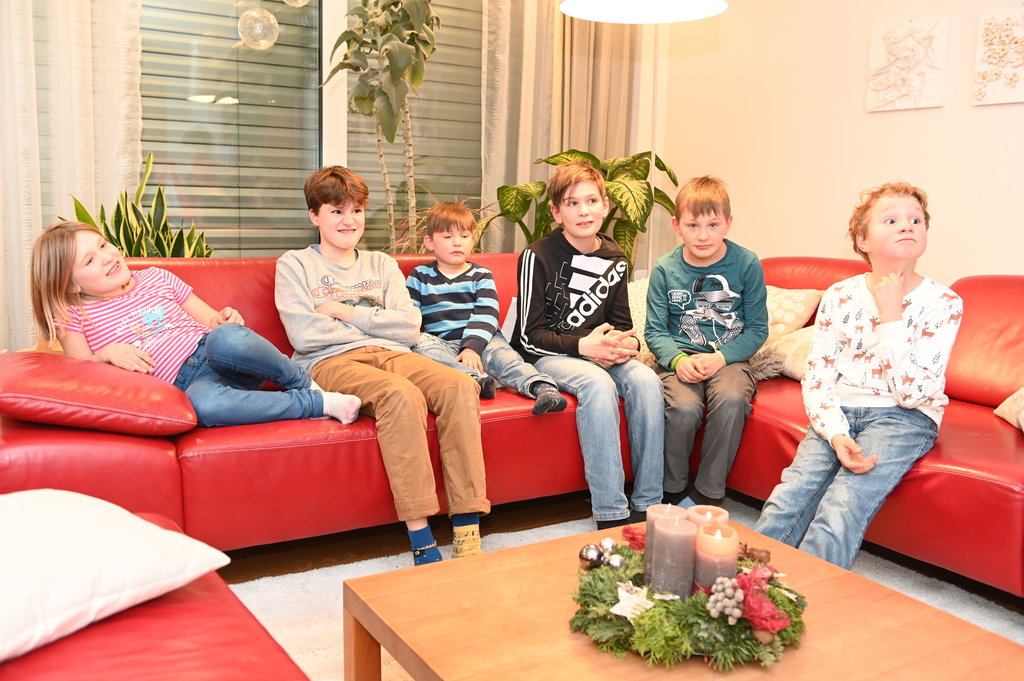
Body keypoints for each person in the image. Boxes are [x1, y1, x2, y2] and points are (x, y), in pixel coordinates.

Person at [274, 166, 490, 565]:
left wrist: (343, 312)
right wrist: (377, 321)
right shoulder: (295, 265)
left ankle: (467, 528)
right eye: (336, 211)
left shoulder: (381, 264)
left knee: (460, 385)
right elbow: (304, 335)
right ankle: (421, 538)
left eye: (355, 210)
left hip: (395, 352)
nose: (349, 220)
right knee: (400, 394)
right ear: (314, 216)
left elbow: (408, 326)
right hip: (330, 361)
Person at [753, 182, 963, 569]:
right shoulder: (839, 295)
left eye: (916, 220)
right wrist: (835, 432)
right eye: (891, 220)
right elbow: (818, 375)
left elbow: (913, 394)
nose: (907, 225)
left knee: (840, 509)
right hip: (839, 408)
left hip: (905, 417)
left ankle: (812, 596)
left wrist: (891, 314)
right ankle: (743, 588)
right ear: (863, 240)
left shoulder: (944, 303)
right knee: (788, 499)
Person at [29, 221, 361, 428]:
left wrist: (225, 318)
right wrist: (106, 354)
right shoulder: (73, 314)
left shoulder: (157, 277)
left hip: (218, 354)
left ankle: (303, 382)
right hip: (189, 385)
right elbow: (79, 370)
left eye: (103, 245)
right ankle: (316, 405)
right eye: (90, 260)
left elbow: (212, 321)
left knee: (226, 338)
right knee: (203, 407)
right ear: (70, 284)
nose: (107, 256)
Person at [510, 161, 664, 531]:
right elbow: (528, 336)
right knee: (598, 384)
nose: (584, 211)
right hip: (548, 355)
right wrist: (585, 347)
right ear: (556, 212)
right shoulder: (537, 255)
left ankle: (649, 504)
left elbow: (623, 324)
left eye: (591, 201)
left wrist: (622, 344)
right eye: (572, 203)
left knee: (647, 381)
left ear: (605, 206)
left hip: (598, 352)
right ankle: (611, 513)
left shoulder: (615, 257)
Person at [644, 176, 768, 509]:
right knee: (683, 408)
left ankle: (709, 492)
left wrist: (722, 357)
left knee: (731, 400)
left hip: (729, 359)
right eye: (693, 225)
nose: (703, 235)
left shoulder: (747, 264)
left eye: (713, 225)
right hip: (680, 356)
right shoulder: (664, 268)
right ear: (677, 226)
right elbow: (654, 331)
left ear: (728, 223)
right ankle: (672, 489)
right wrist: (677, 361)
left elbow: (757, 329)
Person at [406, 202, 568, 415]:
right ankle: (476, 380)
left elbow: (487, 313)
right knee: (421, 345)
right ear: (429, 242)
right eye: (447, 237)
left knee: (505, 358)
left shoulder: (481, 275)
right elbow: (410, 315)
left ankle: (542, 387)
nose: (457, 242)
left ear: (473, 240)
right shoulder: (419, 276)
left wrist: (472, 347)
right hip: (443, 343)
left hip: (484, 338)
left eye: (464, 236)